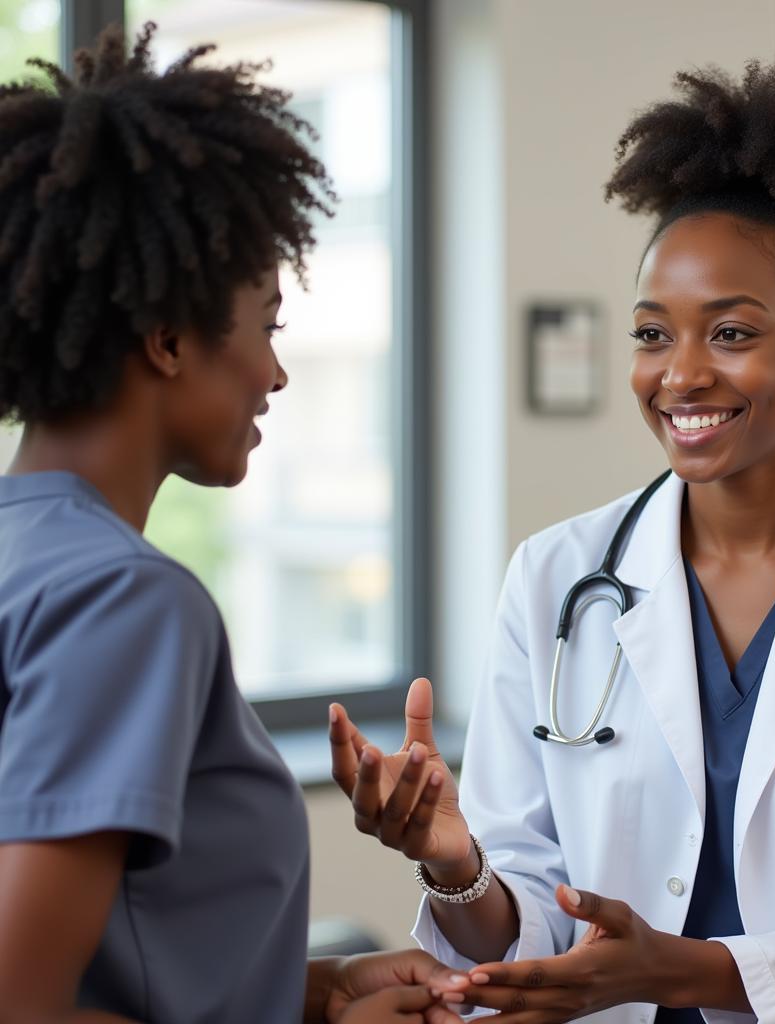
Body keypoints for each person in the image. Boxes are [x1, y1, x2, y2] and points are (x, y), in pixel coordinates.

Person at [329, 57, 775, 1023]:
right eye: (654, 335)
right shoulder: (557, 577)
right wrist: (458, 867)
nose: (680, 375)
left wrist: (676, 971)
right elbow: (526, 912)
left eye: (731, 333)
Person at [0, 24, 467, 1024]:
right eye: (266, 324)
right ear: (168, 339)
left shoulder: (26, 559)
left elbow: (116, 969)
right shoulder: (121, 598)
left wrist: (320, 991)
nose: (277, 372)